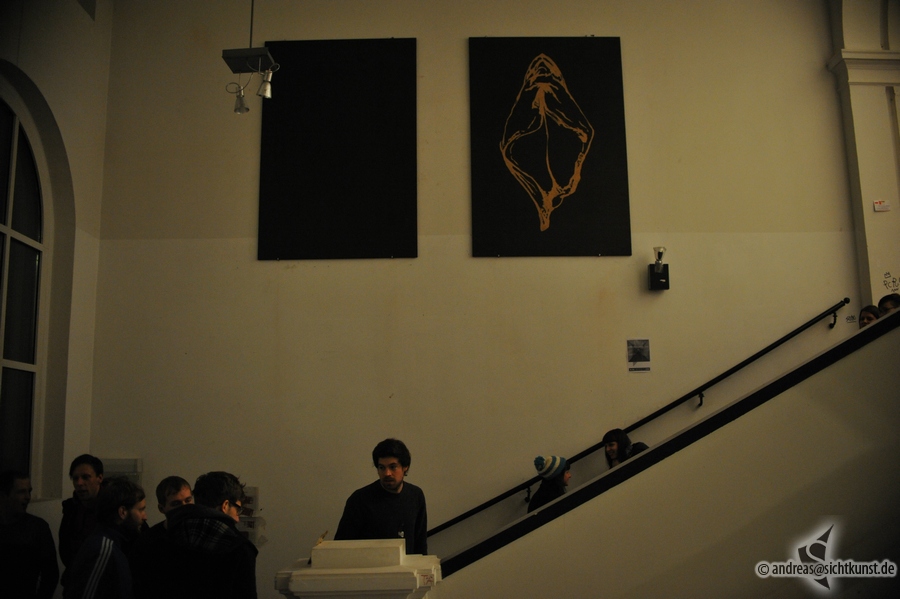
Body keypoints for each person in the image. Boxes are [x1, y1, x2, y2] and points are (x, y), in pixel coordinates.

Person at [164, 471, 258, 599]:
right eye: (237, 510)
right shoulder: (239, 548)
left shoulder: (166, 536)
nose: (237, 519)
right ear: (225, 506)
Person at [335, 438, 428, 554]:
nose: (387, 473)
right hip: (371, 564)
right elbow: (341, 546)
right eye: (382, 467)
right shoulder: (359, 500)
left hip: (408, 564)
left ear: (405, 467)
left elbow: (420, 542)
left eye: (393, 467)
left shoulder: (416, 496)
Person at [63, 476, 147, 599]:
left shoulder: (112, 544)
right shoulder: (103, 549)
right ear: (122, 512)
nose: (145, 516)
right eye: (141, 510)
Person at [129, 476, 193, 598]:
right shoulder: (147, 542)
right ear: (161, 508)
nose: (184, 508)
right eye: (176, 504)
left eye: (188, 500)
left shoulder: (202, 536)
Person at [0, 470, 59, 599]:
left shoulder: (38, 528)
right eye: (21, 492)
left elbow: (51, 575)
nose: (28, 497)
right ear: (4, 495)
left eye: (29, 491)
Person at [59, 454, 104, 573]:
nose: (79, 483)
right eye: (75, 478)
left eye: (85, 477)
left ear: (99, 478)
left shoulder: (113, 508)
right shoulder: (71, 508)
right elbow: (65, 548)